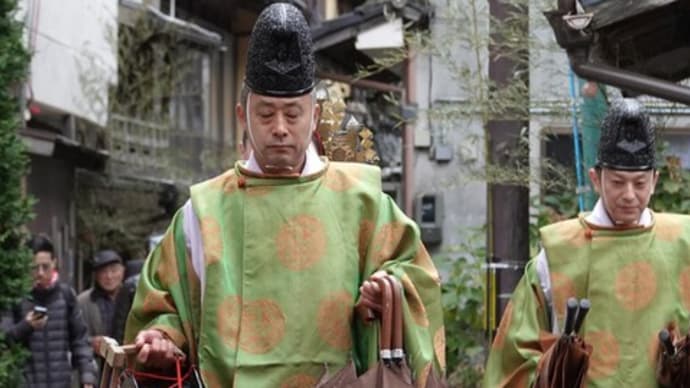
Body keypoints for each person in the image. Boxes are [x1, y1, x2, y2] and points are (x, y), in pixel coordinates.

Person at [124, 3, 445, 387]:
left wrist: (388, 290)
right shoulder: (202, 212)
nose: (279, 128)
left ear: (313, 115)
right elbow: (165, 309)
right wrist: (161, 337)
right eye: (265, 114)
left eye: (292, 114)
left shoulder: (364, 202)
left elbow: (416, 278)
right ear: (242, 115)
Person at [484, 98, 690, 387]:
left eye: (640, 183)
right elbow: (513, 360)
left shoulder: (683, 243)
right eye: (617, 182)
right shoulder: (558, 253)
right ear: (596, 179)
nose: (629, 194)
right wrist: (553, 367)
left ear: (655, 180)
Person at [0, 235, 97, 388]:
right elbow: (4, 339)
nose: (40, 273)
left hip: (61, 382)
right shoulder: (16, 297)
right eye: (34, 267)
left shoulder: (65, 295)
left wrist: (87, 377)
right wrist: (26, 325)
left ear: (54, 263)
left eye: (45, 267)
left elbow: (80, 339)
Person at [77, 250, 126, 356]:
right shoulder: (83, 301)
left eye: (114, 270)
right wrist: (91, 342)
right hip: (97, 365)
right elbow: (74, 336)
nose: (109, 276)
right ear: (96, 275)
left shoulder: (132, 296)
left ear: (122, 271)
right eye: (103, 272)